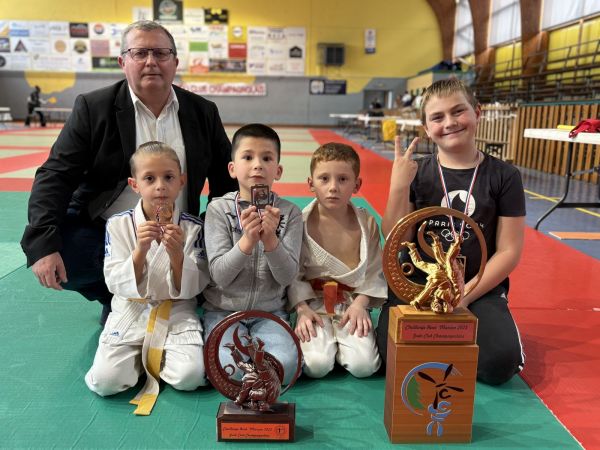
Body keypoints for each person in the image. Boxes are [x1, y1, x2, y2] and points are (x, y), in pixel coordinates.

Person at [21, 20, 236, 325]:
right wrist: (43, 242)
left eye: (161, 53)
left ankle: (179, 289)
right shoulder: (94, 108)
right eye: (140, 53)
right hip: (110, 231)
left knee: (227, 246)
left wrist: (217, 235)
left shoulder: (202, 112)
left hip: (179, 230)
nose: (151, 61)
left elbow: (226, 182)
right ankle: (115, 295)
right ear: (123, 62)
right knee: (66, 250)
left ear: (175, 62)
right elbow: (56, 175)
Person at [376, 78, 526, 385]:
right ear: (426, 128)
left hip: (477, 287)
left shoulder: (504, 176)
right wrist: (398, 186)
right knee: (387, 357)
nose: (449, 122)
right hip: (418, 285)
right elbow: (396, 239)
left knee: (501, 363)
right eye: (437, 117)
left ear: (477, 113)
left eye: (458, 111)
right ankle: (451, 343)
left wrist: (464, 296)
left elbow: (509, 250)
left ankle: (451, 340)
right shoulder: (416, 172)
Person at [85, 142, 209, 415]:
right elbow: (113, 280)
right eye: (150, 178)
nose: (160, 186)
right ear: (135, 184)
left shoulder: (192, 227)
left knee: (190, 377)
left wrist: (177, 256)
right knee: (105, 382)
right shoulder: (118, 224)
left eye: (169, 177)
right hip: (132, 309)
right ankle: (142, 358)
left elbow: (198, 283)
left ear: (181, 181)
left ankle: (149, 357)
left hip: (175, 310)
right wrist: (140, 251)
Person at [202, 123, 303, 385]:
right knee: (229, 370)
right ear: (232, 168)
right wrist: (247, 241)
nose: (257, 165)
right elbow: (220, 276)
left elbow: (287, 277)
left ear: (278, 170)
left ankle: (259, 368)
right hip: (223, 312)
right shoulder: (218, 210)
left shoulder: (290, 213)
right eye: (247, 157)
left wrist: (271, 241)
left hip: (270, 313)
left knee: (286, 367)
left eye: (267, 158)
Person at [288, 143, 386, 378]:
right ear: (311, 183)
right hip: (313, 304)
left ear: (357, 185)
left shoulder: (367, 222)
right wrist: (301, 309)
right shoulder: (299, 223)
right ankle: (330, 348)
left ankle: (344, 349)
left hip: (350, 304)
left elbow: (374, 270)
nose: (333, 187)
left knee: (365, 367)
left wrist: (361, 304)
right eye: (324, 179)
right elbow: (293, 274)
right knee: (316, 366)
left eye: (343, 179)